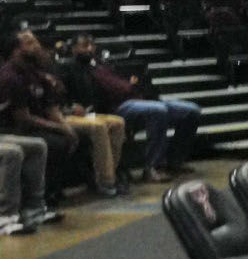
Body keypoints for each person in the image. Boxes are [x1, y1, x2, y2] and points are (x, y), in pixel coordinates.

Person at [0, 30, 125, 199]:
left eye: (36, 42)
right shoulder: (10, 76)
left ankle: (108, 177)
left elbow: (52, 107)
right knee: (58, 142)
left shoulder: (36, 73)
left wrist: (65, 127)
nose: (37, 46)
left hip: (47, 118)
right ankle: (42, 197)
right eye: (30, 43)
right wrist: (61, 126)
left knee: (114, 124)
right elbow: (23, 118)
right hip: (15, 127)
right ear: (15, 50)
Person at [64, 35, 201, 180]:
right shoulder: (73, 69)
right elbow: (108, 89)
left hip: (136, 99)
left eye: (91, 45)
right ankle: (152, 167)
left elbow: (128, 81)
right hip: (115, 107)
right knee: (157, 111)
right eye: (85, 45)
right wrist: (129, 86)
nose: (90, 48)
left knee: (191, 111)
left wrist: (131, 86)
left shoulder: (103, 63)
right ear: (74, 49)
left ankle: (174, 162)